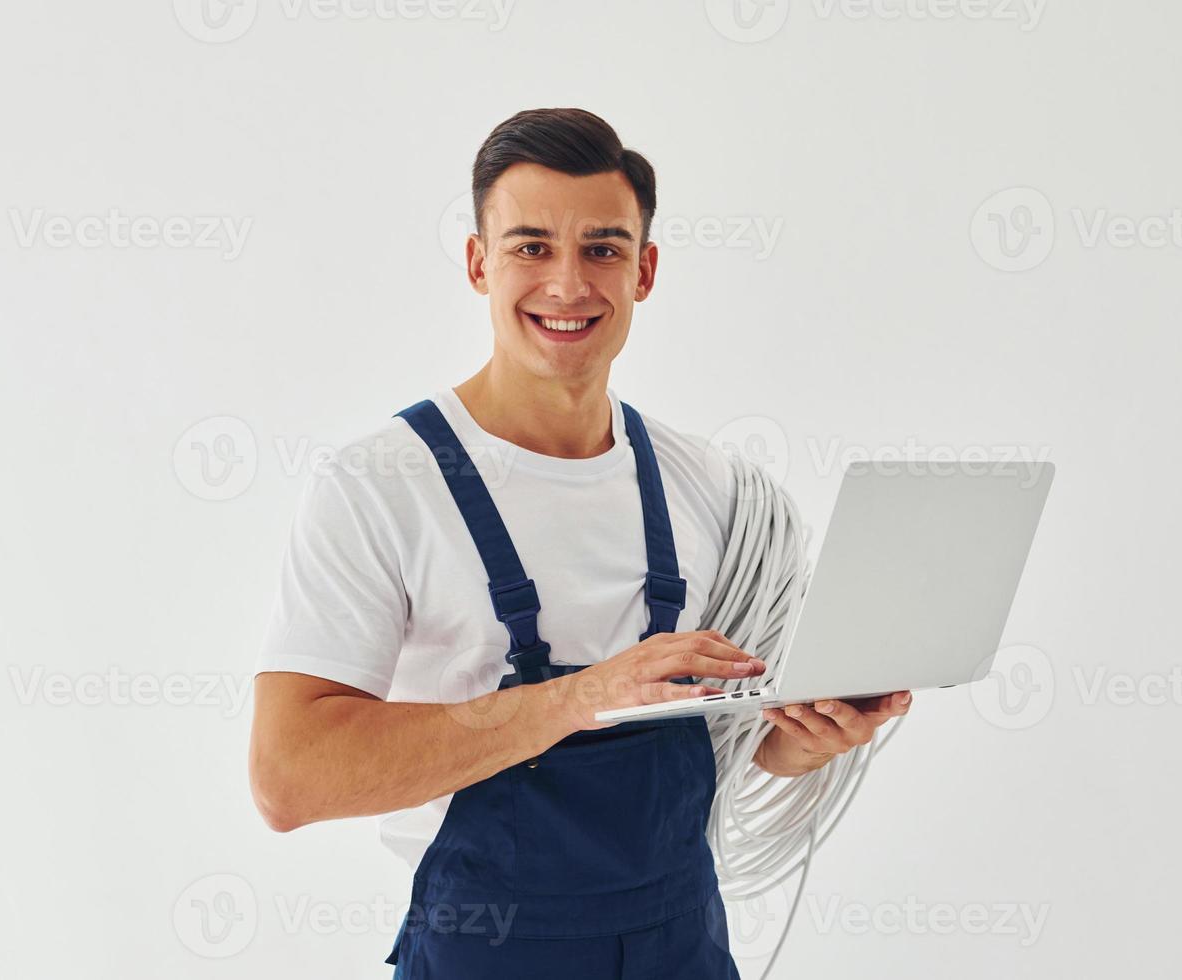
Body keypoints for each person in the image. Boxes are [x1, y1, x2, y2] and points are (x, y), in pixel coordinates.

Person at [248, 107, 912, 978]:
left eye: (602, 249)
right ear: (480, 264)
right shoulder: (377, 486)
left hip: (684, 946)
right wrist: (578, 698)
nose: (567, 284)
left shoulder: (708, 486)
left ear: (645, 270)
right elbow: (290, 779)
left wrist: (807, 738)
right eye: (531, 247)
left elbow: (735, 750)